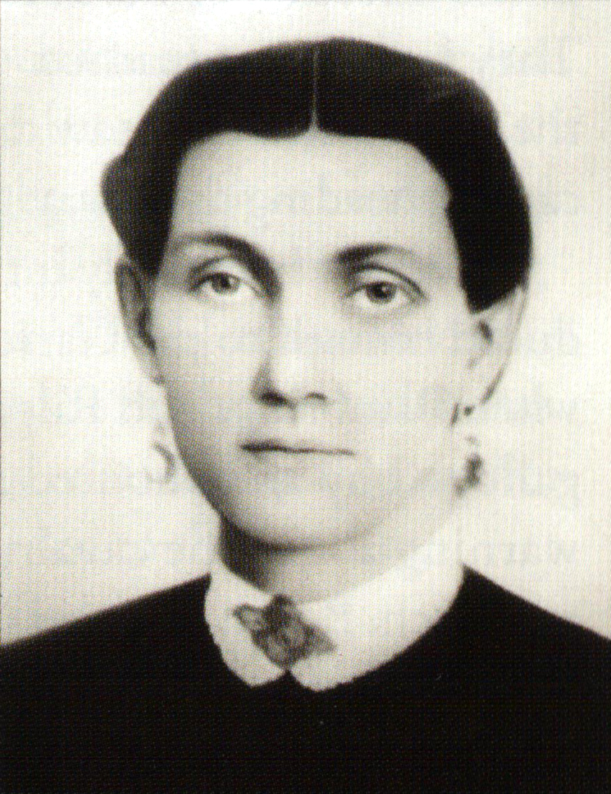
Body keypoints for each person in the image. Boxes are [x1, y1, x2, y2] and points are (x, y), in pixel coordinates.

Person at [2, 38, 609, 793]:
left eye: (378, 291)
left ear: (483, 347)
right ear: (141, 320)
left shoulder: (585, 716)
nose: (289, 377)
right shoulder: (29, 710)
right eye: (223, 282)